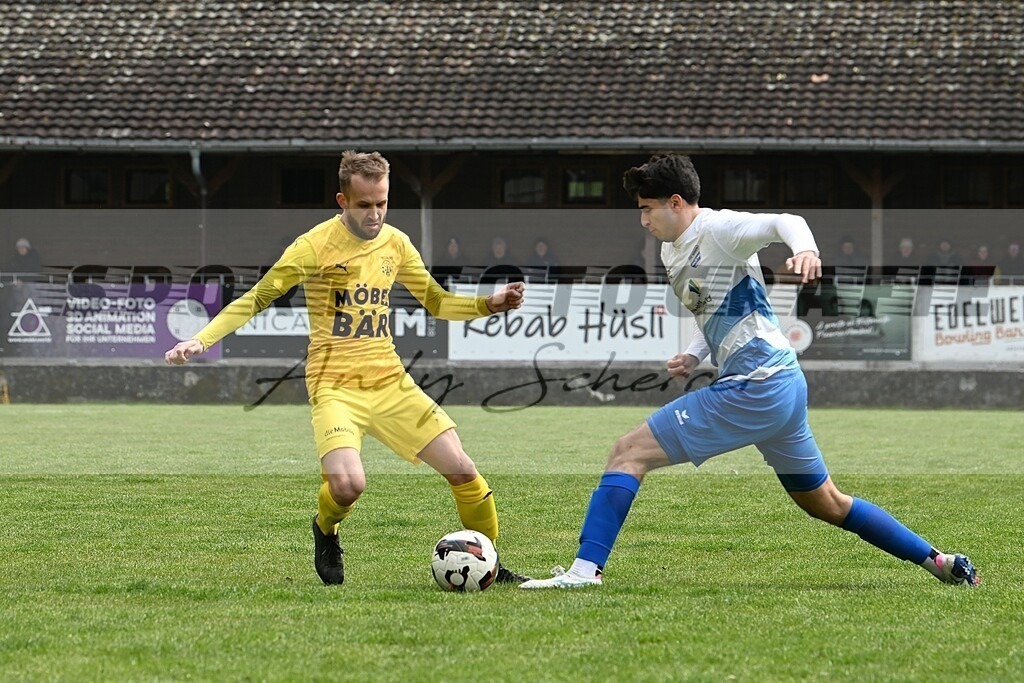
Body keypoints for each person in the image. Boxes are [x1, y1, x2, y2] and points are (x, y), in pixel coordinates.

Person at [521, 154, 979, 589]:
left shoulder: (719, 228)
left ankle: (584, 571)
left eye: (647, 209)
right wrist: (695, 354)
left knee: (627, 452)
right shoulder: (672, 252)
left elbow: (786, 222)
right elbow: (717, 308)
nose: (643, 220)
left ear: (676, 203)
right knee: (828, 504)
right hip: (780, 385)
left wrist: (805, 249)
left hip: (758, 384)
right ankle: (939, 562)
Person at [165, 151, 531, 587]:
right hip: (333, 385)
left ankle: (490, 563)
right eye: (364, 204)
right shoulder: (312, 246)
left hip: (390, 381)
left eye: (382, 203)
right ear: (343, 200)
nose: (375, 213)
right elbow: (256, 298)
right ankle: (326, 528)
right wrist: (200, 339)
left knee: (464, 471)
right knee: (348, 486)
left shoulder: (396, 243)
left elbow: (435, 301)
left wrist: (487, 304)